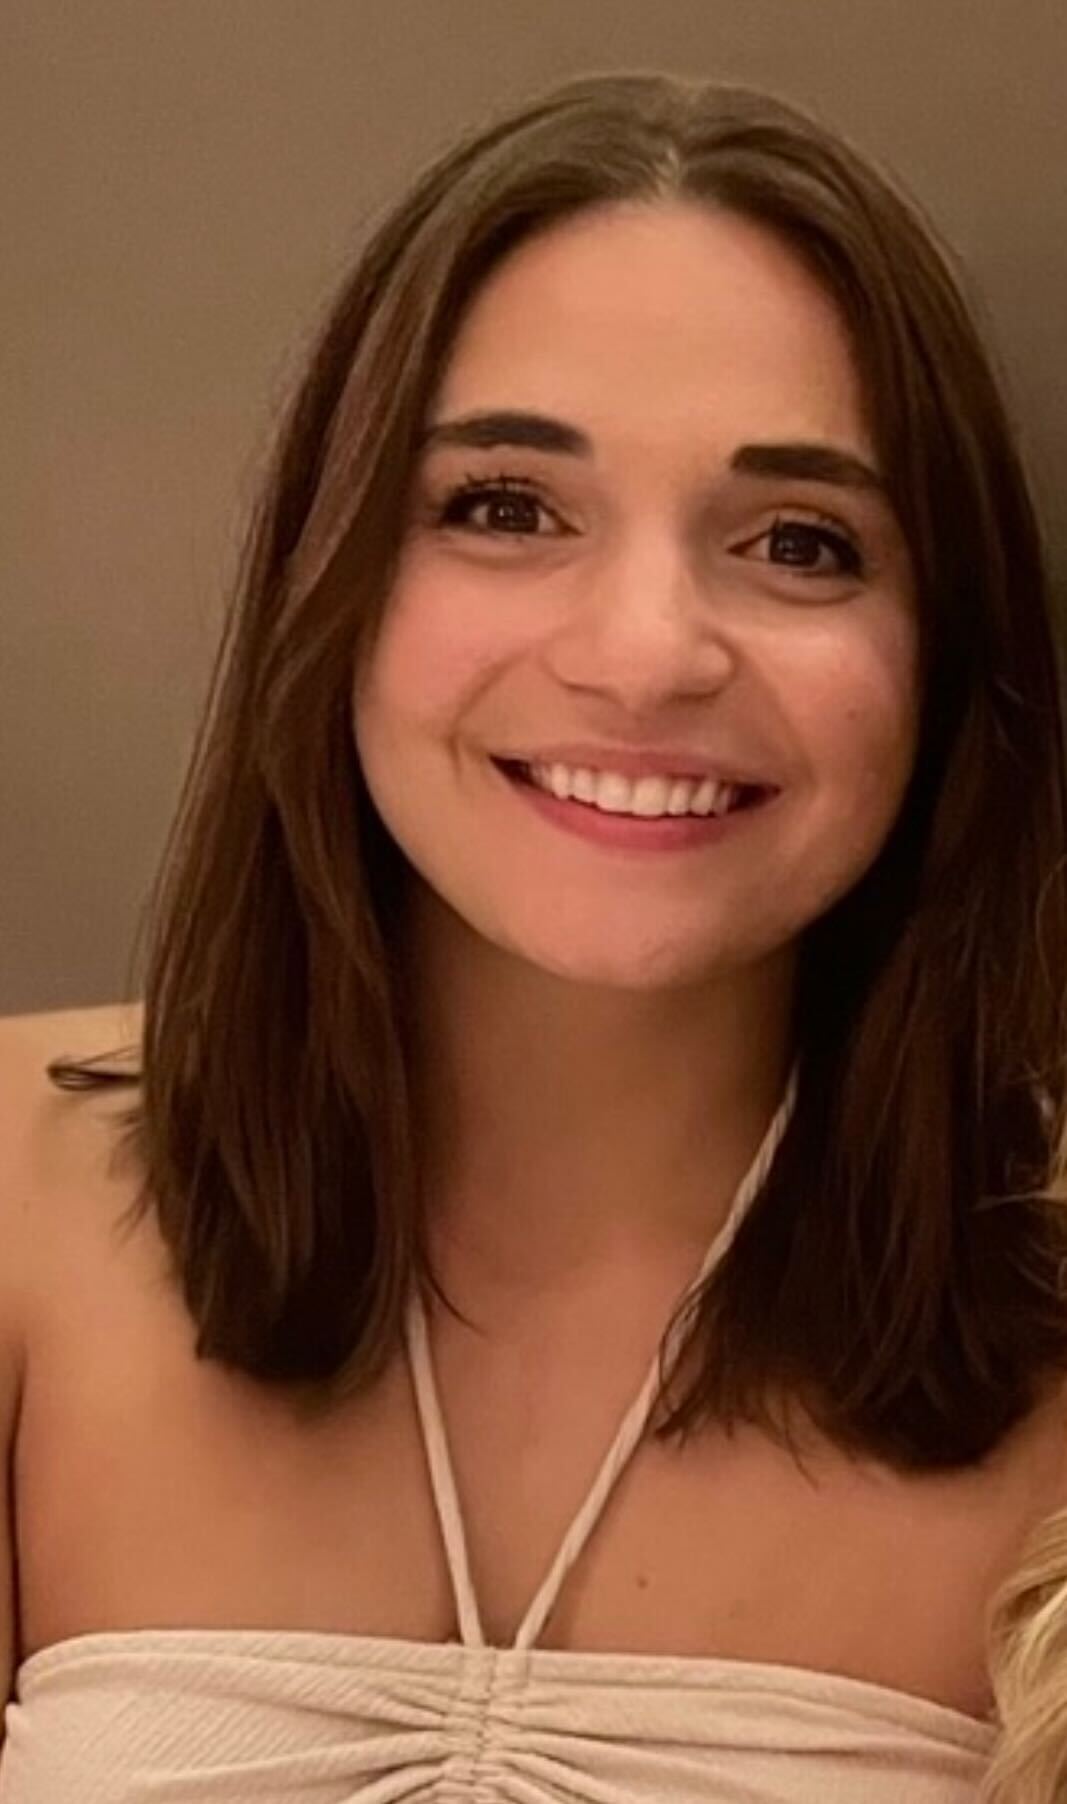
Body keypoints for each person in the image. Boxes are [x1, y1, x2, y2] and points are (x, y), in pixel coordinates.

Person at [1, 67, 1066, 1804]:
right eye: (504, 507)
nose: (646, 654)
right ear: (328, 580)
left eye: (800, 541)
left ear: (946, 662)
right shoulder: (15, 1205)